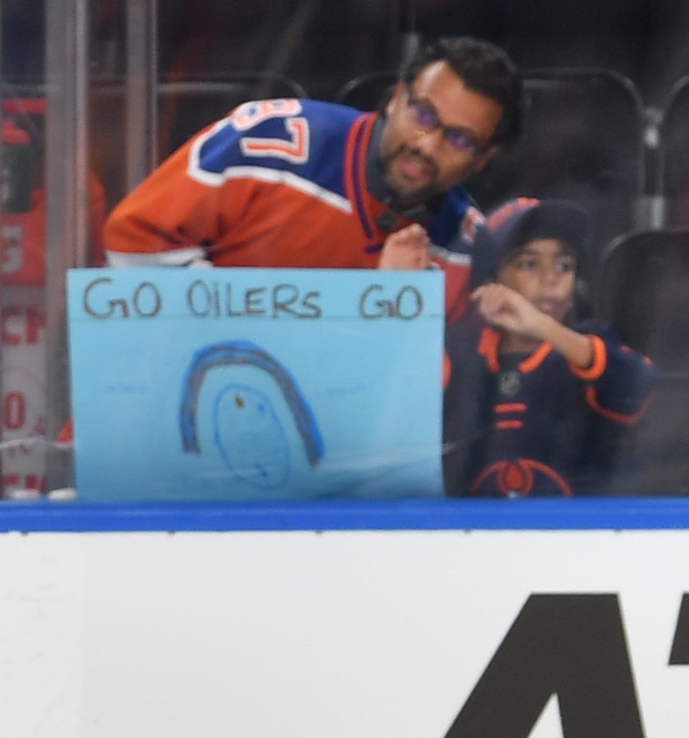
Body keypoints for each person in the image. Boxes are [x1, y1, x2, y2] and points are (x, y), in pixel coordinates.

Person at [103, 38, 520, 314]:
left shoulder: (466, 249)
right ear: (395, 98)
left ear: (484, 159)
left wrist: (397, 312)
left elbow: (427, 401)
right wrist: (245, 326)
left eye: (461, 141)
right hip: (164, 419)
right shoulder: (269, 143)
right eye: (424, 115)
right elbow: (134, 240)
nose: (428, 146)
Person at [444, 198, 655, 497]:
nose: (550, 277)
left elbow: (637, 384)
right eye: (528, 264)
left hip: (580, 538)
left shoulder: (588, 346)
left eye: (564, 265)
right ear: (491, 280)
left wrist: (541, 326)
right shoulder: (462, 355)